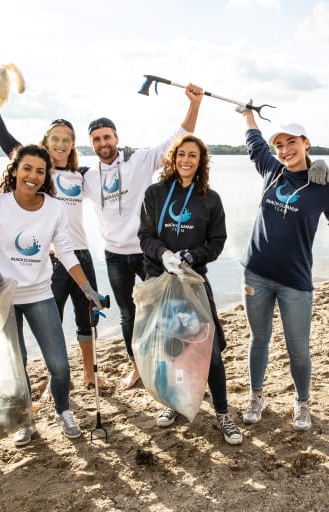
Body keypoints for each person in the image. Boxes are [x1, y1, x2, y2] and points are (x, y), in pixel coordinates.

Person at [0, 78, 111, 391]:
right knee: (51, 323)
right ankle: (57, 377)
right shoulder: (38, 171)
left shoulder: (81, 175)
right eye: (55, 138)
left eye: (67, 139)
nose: (61, 144)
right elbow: (3, 138)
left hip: (80, 254)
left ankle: (90, 375)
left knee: (87, 319)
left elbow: (115, 177)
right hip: (49, 260)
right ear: (46, 140)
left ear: (73, 144)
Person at [0, 144, 104, 446]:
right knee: (16, 362)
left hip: (39, 294)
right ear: (14, 170)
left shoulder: (54, 208)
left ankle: (63, 410)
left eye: (39, 171)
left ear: (46, 175)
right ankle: (26, 420)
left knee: (59, 364)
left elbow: (65, 251)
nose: (33, 176)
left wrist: (87, 288)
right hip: (4, 298)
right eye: (27, 169)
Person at [83, 82, 204, 389]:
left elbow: (178, 138)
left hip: (148, 251)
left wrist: (194, 104)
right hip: (113, 255)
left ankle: (177, 365)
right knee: (127, 315)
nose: (102, 143)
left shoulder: (139, 160)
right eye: (96, 139)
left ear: (116, 138)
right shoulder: (87, 177)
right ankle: (137, 367)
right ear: (91, 144)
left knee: (167, 309)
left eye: (107, 136)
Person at [235, 108, 329, 432]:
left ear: (306, 142)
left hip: (295, 281)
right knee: (259, 339)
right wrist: (248, 115)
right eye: (279, 145)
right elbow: (254, 143)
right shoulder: (272, 171)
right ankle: (257, 397)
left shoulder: (322, 185)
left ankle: (302, 402)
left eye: (291, 142)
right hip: (255, 272)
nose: (284, 150)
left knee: (298, 347)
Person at [137, 134, 243, 445]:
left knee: (208, 352)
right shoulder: (155, 194)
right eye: (181, 154)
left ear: (201, 162)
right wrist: (165, 255)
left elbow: (218, 242)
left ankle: (222, 412)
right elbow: (144, 236)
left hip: (194, 283)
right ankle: (174, 403)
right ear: (172, 158)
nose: (186, 160)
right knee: (170, 349)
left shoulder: (210, 198)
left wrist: (193, 256)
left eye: (192, 156)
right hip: (161, 282)